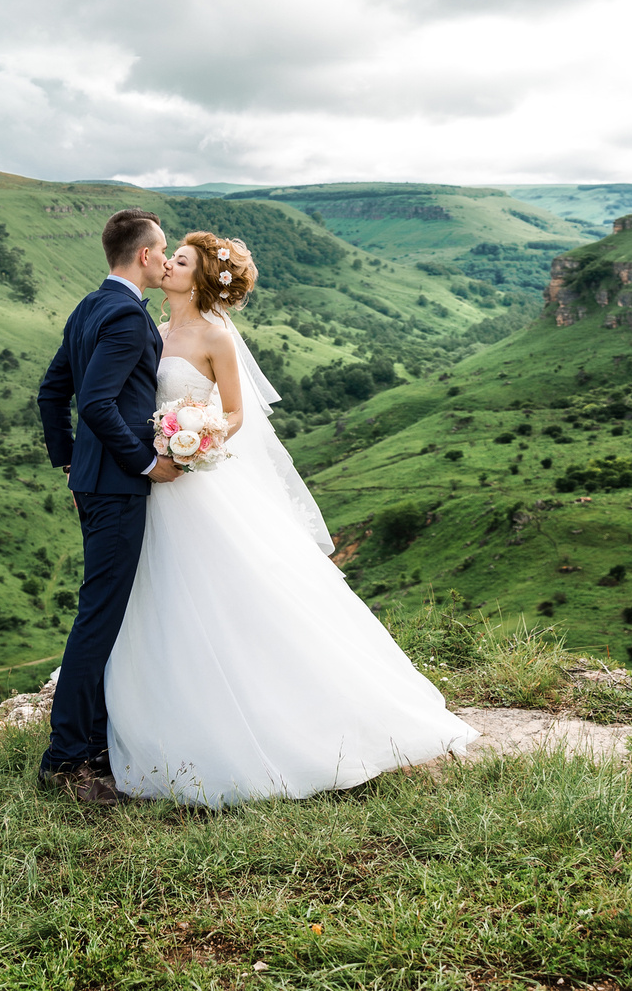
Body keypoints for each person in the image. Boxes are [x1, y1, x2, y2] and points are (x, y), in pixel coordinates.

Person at [99, 231, 475, 806]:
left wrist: (190, 441)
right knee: (164, 596)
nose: (167, 264)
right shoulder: (153, 329)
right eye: (170, 257)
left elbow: (235, 414)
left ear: (201, 280)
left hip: (196, 482)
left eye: (180, 261)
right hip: (154, 486)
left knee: (234, 595)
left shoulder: (215, 334)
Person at [34, 208, 180, 803]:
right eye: (163, 249)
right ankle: (66, 758)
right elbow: (95, 402)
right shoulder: (124, 316)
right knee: (99, 615)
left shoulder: (89, 307)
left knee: (103, 609)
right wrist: (147, 463)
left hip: (95, 481)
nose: (166, 258)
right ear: (144, 255)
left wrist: (70, 462)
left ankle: (91, 738)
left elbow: (52, 393)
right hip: (119, 486)